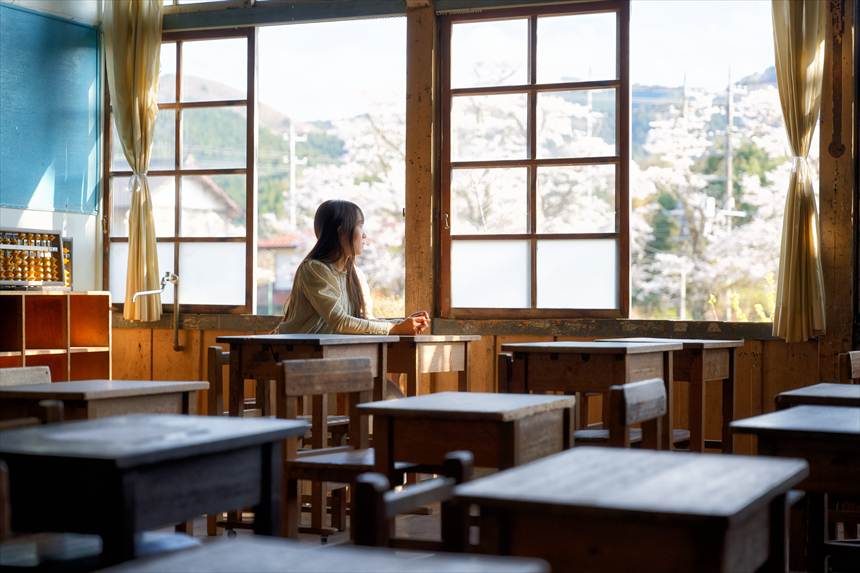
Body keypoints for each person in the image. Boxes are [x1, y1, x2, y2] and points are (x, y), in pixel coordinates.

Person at [276, 199, 430, 335]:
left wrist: (403, 324)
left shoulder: (356, 274)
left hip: (328, 353)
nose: (364, 235)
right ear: (341, 231)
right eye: (360, 226)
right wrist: (395, 329)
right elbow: (340, 322)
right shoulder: (314, 269)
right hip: (294, 353)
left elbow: (365, 321)